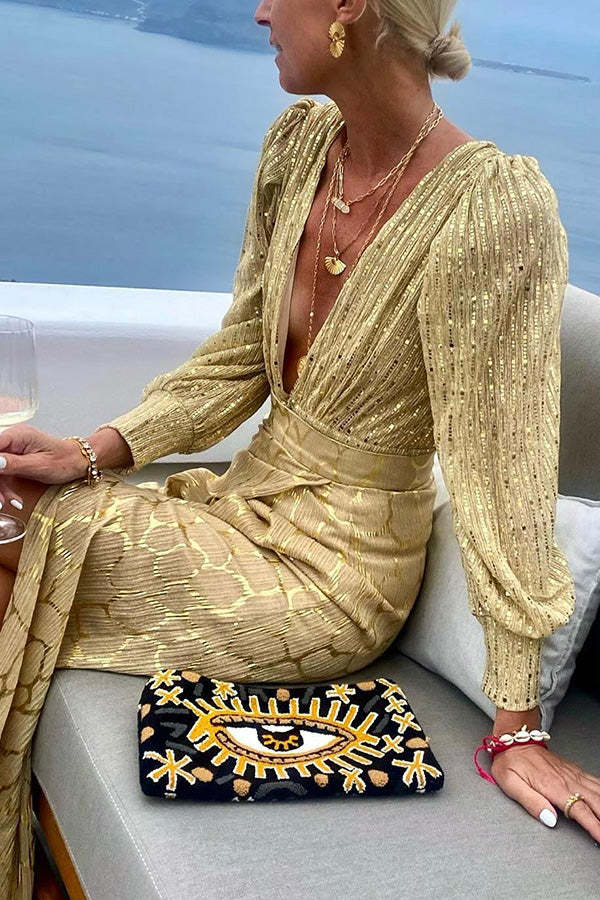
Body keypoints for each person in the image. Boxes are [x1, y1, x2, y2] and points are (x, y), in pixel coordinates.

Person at [1, 0, 599, 894]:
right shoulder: (299, 148)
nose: (259, 12)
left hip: (335, 576)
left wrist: (518, 721)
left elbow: (502, 474)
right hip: (244, 505)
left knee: (14, 527)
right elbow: (241, 357)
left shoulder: (491, 211)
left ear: (350, 7)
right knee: (14, 511)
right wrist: (91, 452)